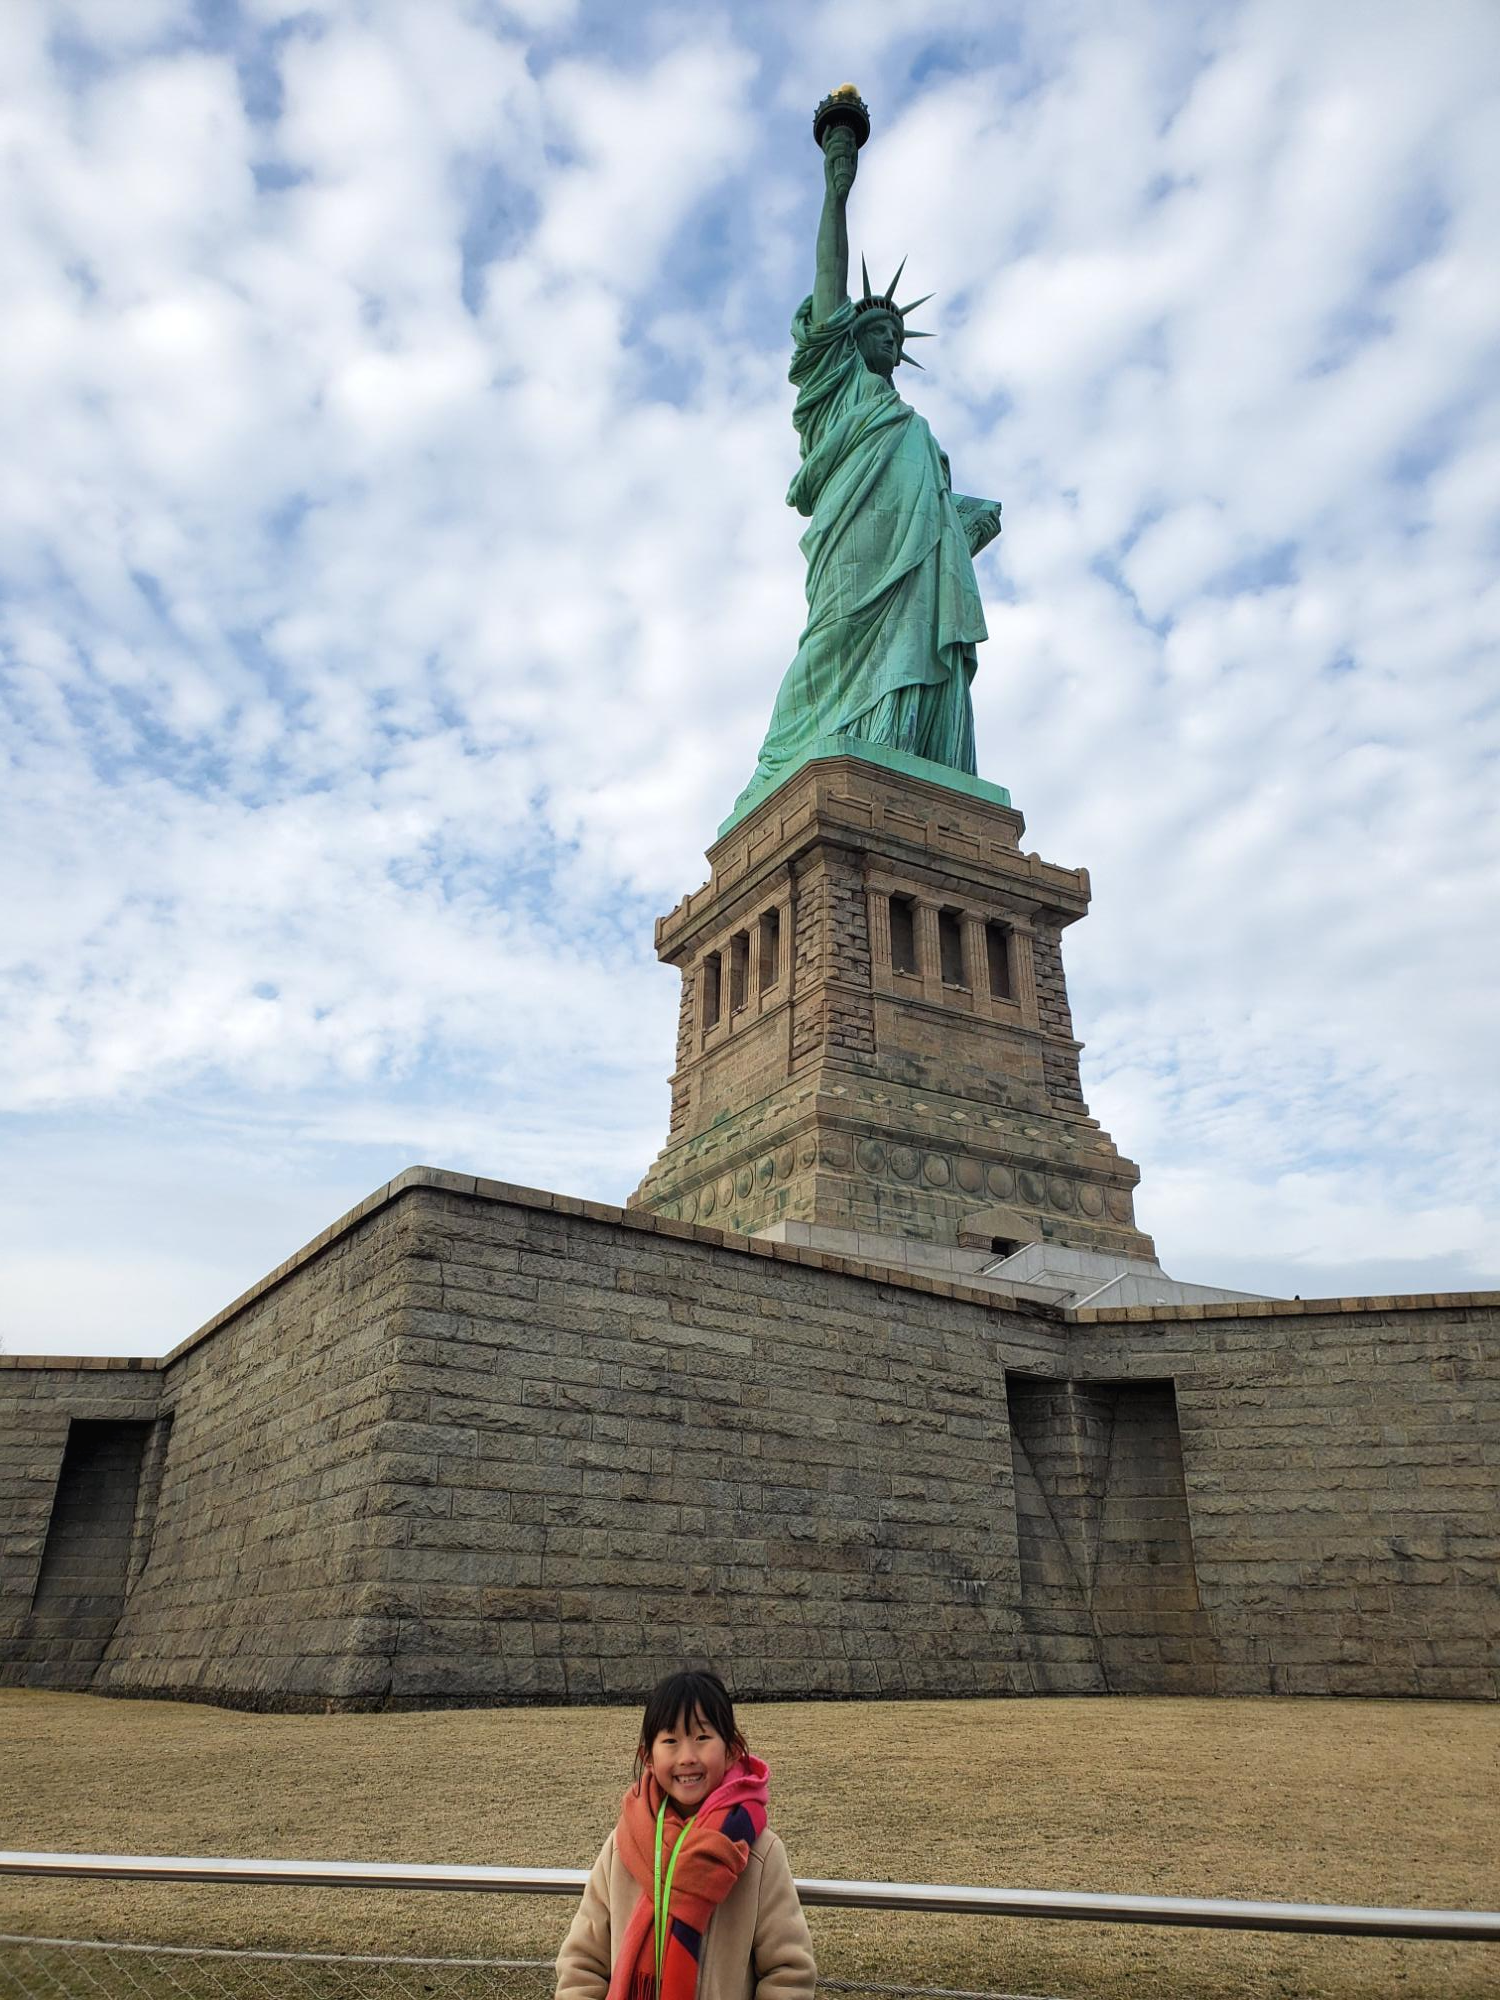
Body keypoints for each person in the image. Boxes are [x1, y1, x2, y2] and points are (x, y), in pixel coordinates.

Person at [730, 114, 1002, 821]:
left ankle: (906, 753)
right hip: (854, 555)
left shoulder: (913, 426)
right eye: (874, 329)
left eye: (894, 333)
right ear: (848, 342)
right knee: (828, 646)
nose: (887, 337)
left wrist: (962, 522)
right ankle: (785, 764)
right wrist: (836, 186)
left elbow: (932, 510)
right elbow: (829, 277)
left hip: (915, 569)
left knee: (917, 651)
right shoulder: (838, 393)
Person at [555, 1669, 816, 2000]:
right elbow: (582, 1963)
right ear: (648, 1757)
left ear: (732, 1750)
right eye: (670, 1741)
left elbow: (789, 1972)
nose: (688, 1757)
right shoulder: (623, 1845)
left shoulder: (758, 1851)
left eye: (702, 1737)